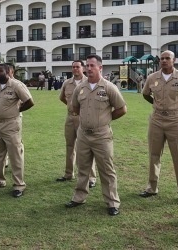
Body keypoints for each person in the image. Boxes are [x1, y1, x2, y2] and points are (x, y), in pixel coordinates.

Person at [65, 54, 127, 216]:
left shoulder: (108, 87)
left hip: (102, 136)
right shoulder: (80, 88)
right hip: (84, 134)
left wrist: (105, 119)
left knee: (107, 169)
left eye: (92, 65)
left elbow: (122, 109)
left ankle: (112, 202)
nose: (89, 68)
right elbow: (75, 107)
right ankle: (79, 197)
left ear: (100, 67)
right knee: (83, 168)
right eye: (87, 65)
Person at [139, 50, 178, 206]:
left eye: (168, 58)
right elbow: (146, 94)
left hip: (176, 120)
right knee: (154, 155)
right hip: (157, 119)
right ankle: (151, 187)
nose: (164, 61)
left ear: (174, 60)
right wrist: (155, 104)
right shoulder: (152, 77)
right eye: (162, 58)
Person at [0, 63, 34, 198]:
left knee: (15, 155)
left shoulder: (17, 85)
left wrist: (17, 110)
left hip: (12, 124)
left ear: (8, 72)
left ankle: (19, 185)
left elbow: (29, 101)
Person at [56, 60, 97, 188]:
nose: (75, 69)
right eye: (73, 67)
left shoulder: (89, 83)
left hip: (83, 119)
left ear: (83, 68)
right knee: (69, 146)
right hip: (70, 118)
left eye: (78, 67)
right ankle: (69, 174)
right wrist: (71, 108)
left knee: (87, 148)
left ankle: (91, 178)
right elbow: (62, 98)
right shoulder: (67, 83)